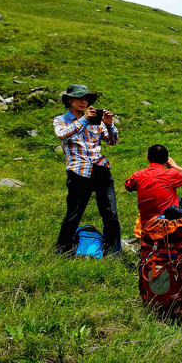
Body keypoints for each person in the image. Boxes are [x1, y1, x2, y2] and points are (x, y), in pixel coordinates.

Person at [54, 84, 121, 256]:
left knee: (110, 213)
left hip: (100, 169)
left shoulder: (95, 121)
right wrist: (84, 120)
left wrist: (109, 125)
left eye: (86, 99)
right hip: (79, 171)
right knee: (74, 214)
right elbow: (62, 134)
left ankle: (113, 252)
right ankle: (63, 251)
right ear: (69, 100)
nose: (83, 102)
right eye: (79, 98)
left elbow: (112, 142)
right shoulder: (61, 120)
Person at [124, 144, 182, 229]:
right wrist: (174, 165)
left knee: (180, 201)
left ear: (147, 158)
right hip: (167, 223)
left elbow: (128, 186)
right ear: (167, 160)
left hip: (147, 226)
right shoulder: (171, 174)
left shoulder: (137, 175)